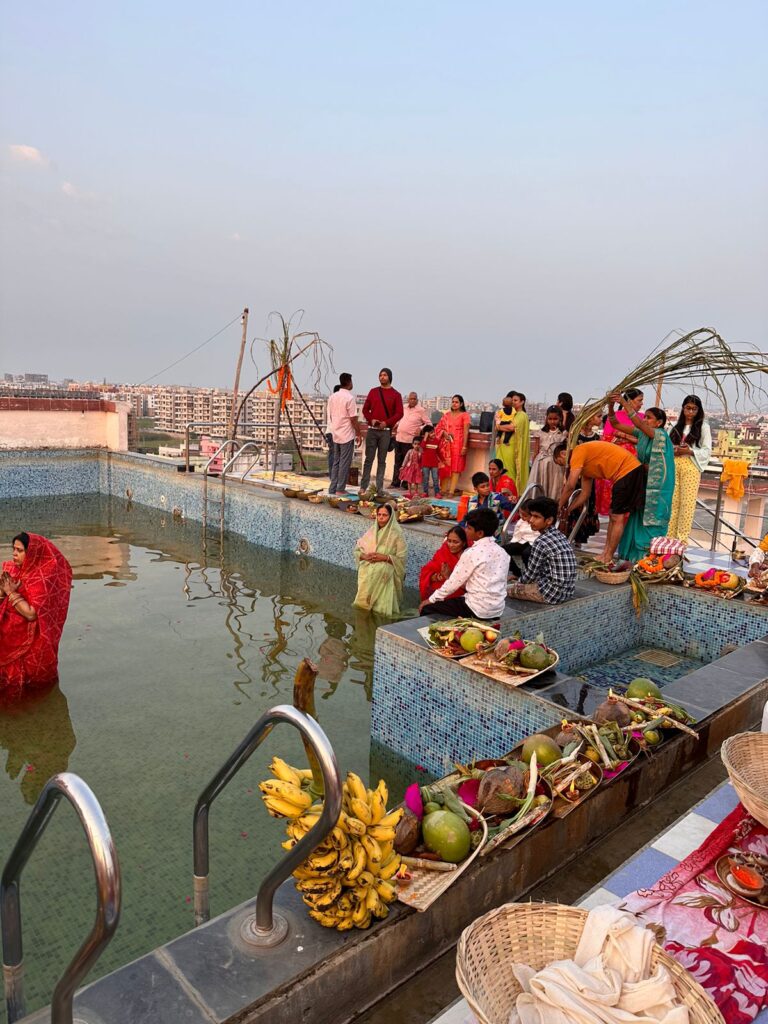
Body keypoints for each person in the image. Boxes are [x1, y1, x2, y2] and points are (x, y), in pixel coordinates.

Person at [1, 533, 73, 694]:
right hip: (9, 636)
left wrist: (11, 593)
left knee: (31, 689)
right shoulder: (13, 570)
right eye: (13, 549)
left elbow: (32, 614)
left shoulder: (42, 578)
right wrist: (2, 592)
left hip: (33, 642)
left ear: (32, 553)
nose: (14, 554)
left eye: (19, 550)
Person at [607, 395, 676, 562]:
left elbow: (637, 423)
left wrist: (624, 402)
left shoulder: (659, 434)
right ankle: (631, 556)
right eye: (644, 417)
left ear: (659, 423)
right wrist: (610, 407)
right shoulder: (644, 433)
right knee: (637, 513)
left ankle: (648, 557)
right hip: (643, 481)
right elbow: (616, 424)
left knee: (652, 519)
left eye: (649, 418)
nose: (645, 420)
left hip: (658, 486)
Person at [555, 440, 644, 565]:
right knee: (613, 515)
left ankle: (608, 556)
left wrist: (558, 506)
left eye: (560, 462)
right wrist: (568, 509)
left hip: (628, 471)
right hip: (623, 475)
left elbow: (570, 485)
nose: (565, 467)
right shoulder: (585, 466)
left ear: (563, 454)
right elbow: (585, 494)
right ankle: (605, 553)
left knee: (617, 517)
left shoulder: (577, 452)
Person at [420, 508, 510, 620]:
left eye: (469, 528)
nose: (465, 530)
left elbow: (453, 583)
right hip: (496, 609)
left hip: (476, 609)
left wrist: (430, 600)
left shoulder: (472, 553)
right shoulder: (503, 553)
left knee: (428, 609)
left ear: (480, 533)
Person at [508, 497, 578, 604]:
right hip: (567, 592)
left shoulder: (541, 542)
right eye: (531, 515)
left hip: (550, 594)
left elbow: (530, 575)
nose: (531, 520)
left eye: (536, 517)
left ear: (549, 520)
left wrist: (518, 582)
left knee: (506, 591)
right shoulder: (560, 535)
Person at [667, 395, 713, 543]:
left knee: (687, 504)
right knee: (673, 502)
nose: (691, 411)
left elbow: (707, 450)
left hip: (691, 465)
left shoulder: (703, 427)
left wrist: (690, 451)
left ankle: (681, 540)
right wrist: (674, 449)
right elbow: (667, 446)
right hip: (675, 464)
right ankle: (669, 538)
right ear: (683, 408)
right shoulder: (675, 426)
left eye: (694, 408)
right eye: (688, 408)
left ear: (698, 410)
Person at [594, 389, 643, 517]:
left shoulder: (642, 418)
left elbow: (644, 439)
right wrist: (628, 439)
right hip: (617, 464)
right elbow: (606, 440)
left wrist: (623, 436)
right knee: (616, 507)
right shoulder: (615, 417)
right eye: (639, 400)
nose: (642, 404)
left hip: (636, 463)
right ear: (629, 401)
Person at [353, 503, 407, 616]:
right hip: (368, 569)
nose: (381, 517)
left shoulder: (397, 535)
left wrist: (385, 558)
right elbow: (357, 551)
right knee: (363, 609)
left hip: (385, 572)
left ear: (391, 517)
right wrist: (365, 557)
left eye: (385, 515)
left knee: (381, 613)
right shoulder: (371, 532)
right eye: (379, 514)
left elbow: (401, 559)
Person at [360, 368, 404, 496]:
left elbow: (400, 413)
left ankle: (379, 489)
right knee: (368, 459)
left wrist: (387, 422)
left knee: (381, 460)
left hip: (385, 432)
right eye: (380, 375)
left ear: (389, 377)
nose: (382, 377)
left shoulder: (396, 395)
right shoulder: (373, 392)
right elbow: (365, 409)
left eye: (384, 375)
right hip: (372, 430)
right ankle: (363, 486)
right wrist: (371, 419)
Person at [327, 373, 362, 496]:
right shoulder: (349, 398)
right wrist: (359, 433)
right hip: (346, 434)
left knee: (336, 461)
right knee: (344, 462)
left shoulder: (332, 397)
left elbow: (330, 415)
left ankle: (332, 488)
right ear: (349, 382)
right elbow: (353, 419)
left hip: (335, 433)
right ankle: (340, 489)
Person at [418, 526, 468, 602]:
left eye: (455, 542)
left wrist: (449, 576)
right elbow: (426, 572)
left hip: (458, 596)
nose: (451, 545)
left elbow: (470, 586)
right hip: (438, 592)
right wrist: (438, 576)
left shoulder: (468, 558)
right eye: (449, 541)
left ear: (464, 543)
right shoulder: (443, 552)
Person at [392, 392, 431, 488]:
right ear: (408, 399)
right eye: (411, 398)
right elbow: (400, 417)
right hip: (399, 438)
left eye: (414, 399)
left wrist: (421, 428)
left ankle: (405, 483)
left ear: (417, 400)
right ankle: (395, 482)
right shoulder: (404, 407)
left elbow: (429, 424)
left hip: (410, 441)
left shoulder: (421, 410)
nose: (412, 400)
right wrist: (397, 423)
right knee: (397, 462)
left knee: (408, 463)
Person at [529, 406, 567, 500]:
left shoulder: (563, 434)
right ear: (546, 418)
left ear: (560, 419)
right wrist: (533, 465)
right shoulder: (540, 433)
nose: (552, 421)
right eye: (550, 419)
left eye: (555, 419)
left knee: (554, 488)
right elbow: (536, 451)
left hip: (556, 465)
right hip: (540, 463)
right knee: (540, 486)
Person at [495, 391, 530, 492]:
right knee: (501, 470)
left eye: (516, 400)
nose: (513, 402)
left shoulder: (521, 415)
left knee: (509, 471)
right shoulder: (510, 413)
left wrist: (498, 426)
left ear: (522, 402)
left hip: (511, 449)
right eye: (512, 400)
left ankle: (511, 494)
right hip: (503, 447)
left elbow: (511, 427)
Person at [437, 395, 471, 495]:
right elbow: (438, 428)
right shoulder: (446, 415)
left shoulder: (465, 415)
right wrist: (444, 433)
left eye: (456, 402)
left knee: (456, 468)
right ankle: (443, 490)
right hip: (446, 446)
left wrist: (464, 446)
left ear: (461, 404)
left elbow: (466, 432)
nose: (454, 404)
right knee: (445, 466)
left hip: (458, 445)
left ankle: (451, 491)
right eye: (453, 402)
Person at [503, 499, 538, 577]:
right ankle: (516, 573)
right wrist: (514, 542)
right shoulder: (521, 521)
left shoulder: (537, 522)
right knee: (502, 550)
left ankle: (530, 575)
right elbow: (517, 533)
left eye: (525, 515)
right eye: (521, 514)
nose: (522, 517)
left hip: (534, 542)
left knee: (526, 553)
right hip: (523, 541)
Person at [420, 424, 443, 498]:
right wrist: (425, 438)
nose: (433, 434)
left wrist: (443, 460)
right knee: (425, 479)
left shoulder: (436, 440)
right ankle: (425, 492)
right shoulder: (424, 441)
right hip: (425, 464)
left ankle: (437, 493)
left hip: (434, 464)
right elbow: (422, 448)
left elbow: (438, 452)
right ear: (426, 434)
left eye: (433, 432)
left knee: (436, 479)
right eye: (431, 432)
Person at [324, 383, 341, 477]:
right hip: (334, 432)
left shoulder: (330, 400)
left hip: (330, 431)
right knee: (335, 456)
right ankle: (334, 476)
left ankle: (332, 476)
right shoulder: (335, 401)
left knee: (332, 455)